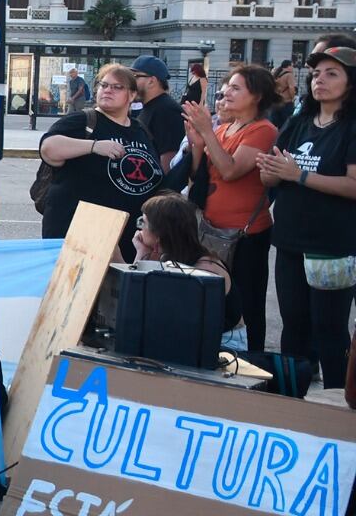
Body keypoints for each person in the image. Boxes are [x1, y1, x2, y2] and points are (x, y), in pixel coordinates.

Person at [256, 45, 356, 392]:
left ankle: (336, 403)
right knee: (293, 325)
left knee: (329, 330)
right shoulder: (299, 122)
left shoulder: (351, 127)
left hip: (332, 247)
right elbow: (271, 177)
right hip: (289, 241)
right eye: (315, 74)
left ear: (351, 82)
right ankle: (290, 400)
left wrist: (298, 175)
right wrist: (270, 171)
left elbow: (353, 185)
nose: (319, 80)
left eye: (331, 74)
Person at [180, 64, 279, 350]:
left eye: (236, 88)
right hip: (211, 228)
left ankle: (252, 356)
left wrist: (207, 132)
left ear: (257, 95)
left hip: (245, 234)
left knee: (247, 302)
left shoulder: (263, 130)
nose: (227, 94)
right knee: (213, 298)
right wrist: (197, 143)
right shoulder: (224, 128)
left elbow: (230, 170)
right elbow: (199, 174)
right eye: (227, 88)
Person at [38, 63, 161, 261]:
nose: (107, 90)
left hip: (127, 238)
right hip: (78, 237)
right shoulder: (83, 121)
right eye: (104, 85)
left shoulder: (141, 131)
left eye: (117, 87)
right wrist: (94, 146)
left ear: (131, 95)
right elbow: (48, 148)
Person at [129, 193, 236, 328]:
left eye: (143, 223)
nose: (139, 228)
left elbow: (136, 303)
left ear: (159, 235)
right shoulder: (170, 256)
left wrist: (142, 254)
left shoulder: (203, 270)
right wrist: (143, 253)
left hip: (225, 338)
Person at [130, 55, 184, 173]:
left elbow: (170, 159)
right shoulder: (152, 106)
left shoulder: (167, 110)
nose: (130, 82)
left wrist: (159, 184)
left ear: (151, 81)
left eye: (135, 77)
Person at [268, 63, 298, 131]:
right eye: (292, 66)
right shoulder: (289, 75)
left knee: (275, 124)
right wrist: (293, 97)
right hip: (286, 101)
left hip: (276, 101)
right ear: (288, 66)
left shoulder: (276, 74)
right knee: (286, 124)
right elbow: (291, 88)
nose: (293, 68)